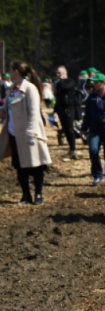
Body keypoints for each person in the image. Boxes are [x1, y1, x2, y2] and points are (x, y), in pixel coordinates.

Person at [0, 61, 52, 205]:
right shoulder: (12, 89)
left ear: (16, 71)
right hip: (13, 133)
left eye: (11, 69)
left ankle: (39, 194)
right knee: (19, 166)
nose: (9, 72)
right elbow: (8, 107)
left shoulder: (30, 88)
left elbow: (34, 113)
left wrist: (30, 132)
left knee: (35, 166)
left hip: (29, 134)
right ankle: (26, 196)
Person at [54, 65, 82, 159]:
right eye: (57, 73)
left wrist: (61, 80)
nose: (57, 74)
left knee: (70, 129)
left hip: (69, 109)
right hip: (61, 110)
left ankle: (74, 149)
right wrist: (55, 109)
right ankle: (71, 148)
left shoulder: (70, 81)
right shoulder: (58, 84)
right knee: (65, 130)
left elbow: (66, 87)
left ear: (65, 73)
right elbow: (58, 97)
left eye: (59, 72)